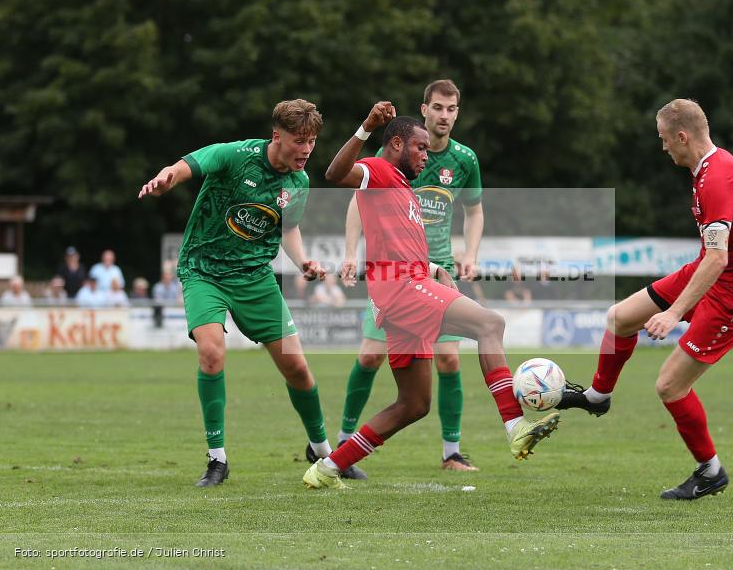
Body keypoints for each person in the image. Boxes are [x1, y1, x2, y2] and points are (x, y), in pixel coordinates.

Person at [302, 104, 560, 490]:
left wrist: (436, 270)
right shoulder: (381, 169)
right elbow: (334, 173)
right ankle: (515, 425)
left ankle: (326, 468)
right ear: (396, 143)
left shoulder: (404, 188)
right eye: (420, 148)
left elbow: (403, 249)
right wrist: (365, 128)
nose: (426, 156)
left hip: (404, 289)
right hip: (401, 290)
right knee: (491, 324)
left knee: (414, 404)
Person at [557, 99, 733, 500]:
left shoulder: (715, 179)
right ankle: (598, 396)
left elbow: (719, 257)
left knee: (669, 386)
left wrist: (675, 312)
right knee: (619, 319)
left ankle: (710, 471)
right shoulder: (715, 166)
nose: (663, 148)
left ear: (683, 137)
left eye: (665, 140)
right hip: (709, 272)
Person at [138, 98, 363, 486]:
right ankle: (217, 459)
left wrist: (302, 262)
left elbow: (287, 228)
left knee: (297, 368)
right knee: (211, 354)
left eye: (312, 142)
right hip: (204, 270)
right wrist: (165, 180)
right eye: (299, 141)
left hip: (255, 277)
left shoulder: (299, 182)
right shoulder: (235, 155)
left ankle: (322, 449)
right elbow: (184, 166)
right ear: (277, 136)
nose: (307, 150)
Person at [328, 80, 486, 473]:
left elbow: (475, 210)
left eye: (452, 109)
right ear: (425, 109)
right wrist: (351, 253)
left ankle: (451, 451)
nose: (444, 115)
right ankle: (344, 444)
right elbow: (356, 193)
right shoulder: (396, 156)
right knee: (369, 355)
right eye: (438, 107)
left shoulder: (464, 159)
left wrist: (471, 253)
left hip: (437, 268)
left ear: (457, 113)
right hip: (392, 272)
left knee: (449, 360)